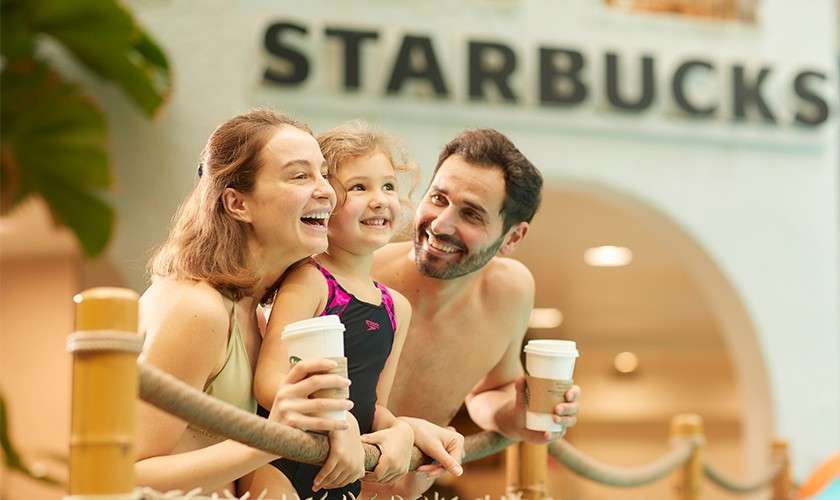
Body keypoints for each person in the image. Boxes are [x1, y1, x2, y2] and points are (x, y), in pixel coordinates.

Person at [137, 109, 352, 497]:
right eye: (300, 175)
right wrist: (270, 438)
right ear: (238, 204)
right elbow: (125, 473)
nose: (326, 191)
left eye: (323, 173)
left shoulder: (260, 312)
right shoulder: (196, 309)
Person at [253, 122, 462, 498]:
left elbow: (373, 405)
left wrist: (400, 429)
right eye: (358, 188)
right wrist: (337, 422)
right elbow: (269, 383)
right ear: (324, 202)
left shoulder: (395, 307)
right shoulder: (311, 281)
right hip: (281, 464)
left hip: (343, 473)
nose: (379, 199)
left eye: (387, 186)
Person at [368, 128, 582, 498]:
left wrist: (518, 415)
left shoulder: (510, 291)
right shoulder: (362, 273)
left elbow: (492, 390)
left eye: (470, 214)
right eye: (438, 198)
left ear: (513, 238)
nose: (440, 224)